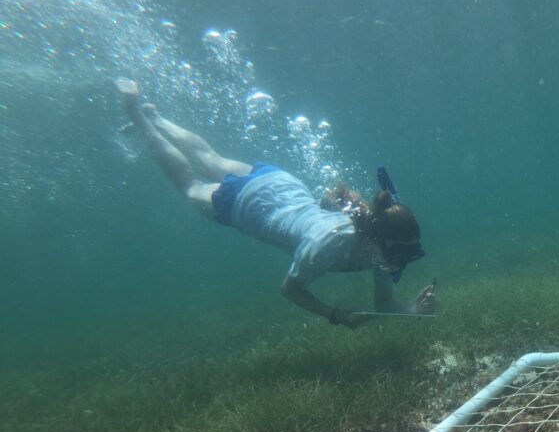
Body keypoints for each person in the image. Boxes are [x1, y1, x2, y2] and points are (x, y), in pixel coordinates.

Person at [115, 78, 435, 328]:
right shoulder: (328, 245)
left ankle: (158, 119)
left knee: (210, 158)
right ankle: (140, 119)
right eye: (401, 254)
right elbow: (290, 289)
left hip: (280, 183)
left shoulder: (379, 249)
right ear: (378, 241)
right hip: (247, 205)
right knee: (191, 186)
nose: (401, 264)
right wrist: (335, 314)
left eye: (410, 255)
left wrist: (414, 309)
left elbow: (385, 305)